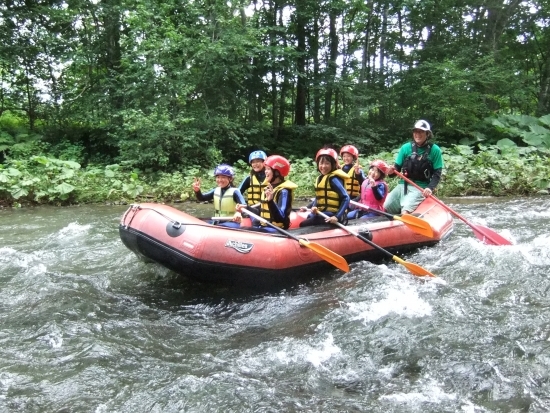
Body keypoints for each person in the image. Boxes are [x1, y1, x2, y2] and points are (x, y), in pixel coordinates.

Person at [384, 120, 444, 215]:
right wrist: (391, 171)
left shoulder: (435, 150)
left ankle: (406, 219)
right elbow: (396, 169)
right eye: (416, 131)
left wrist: (429, 188)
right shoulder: (405, 148)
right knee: (386, 207)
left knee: (405, 211)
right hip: (402, 186)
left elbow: (437, 174)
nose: (417, 134)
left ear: (427, 134)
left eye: (421, 131)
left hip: (420, 188)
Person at [237, 155, 297, 232]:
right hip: (265, 227)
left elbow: (281, 218)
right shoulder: (268, 189)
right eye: (265, 169)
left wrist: (271, 201)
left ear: (277, 173)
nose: (265, 171)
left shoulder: (284, 191)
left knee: (244, 231)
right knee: (242, 229)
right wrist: (246, 208)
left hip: (277, 229)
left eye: (268, 169)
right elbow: (261, 211)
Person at [299, 148, 350, 227]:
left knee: (304, 224)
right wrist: (308, 207)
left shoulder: (333, 179)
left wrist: (337, 216)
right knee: (310, 216)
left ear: (333, 164)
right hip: (324, 213)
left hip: (335, 215)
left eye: (327, 163)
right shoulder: (320, 178)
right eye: (321, 163)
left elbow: (346, 198)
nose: (323, 166)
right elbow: (319, 197)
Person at [192, 164, 246, 228]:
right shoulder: (216, 190)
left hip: (232, 222)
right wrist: (197, 191)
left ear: (230, 179)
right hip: (217, 221)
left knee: (218, 227)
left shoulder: (235, 191)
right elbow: (201, 198)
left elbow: (243, 205)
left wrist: (238, 212)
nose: (220, 180)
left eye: (223, 177)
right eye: (218, 177)